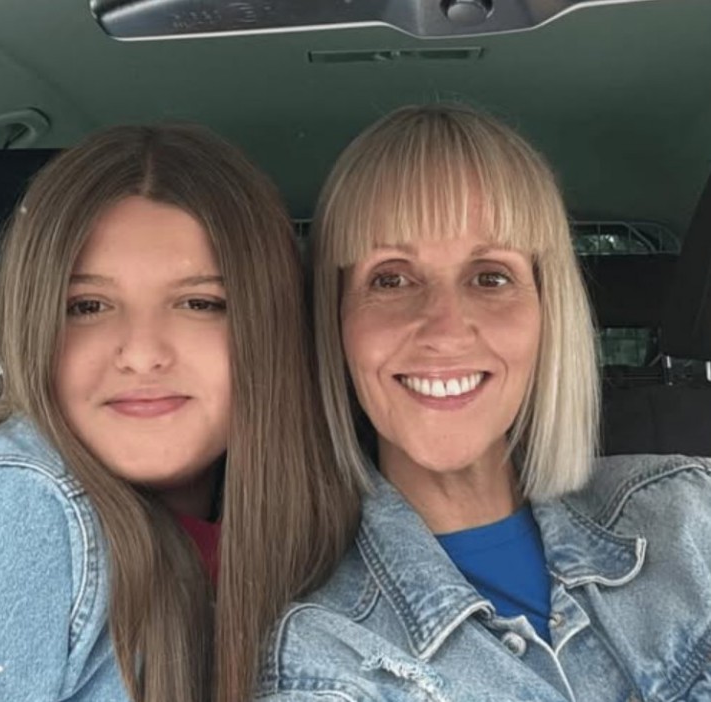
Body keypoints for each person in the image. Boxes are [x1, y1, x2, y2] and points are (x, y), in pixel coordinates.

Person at [256, 104, 711, 701]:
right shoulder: (322, 653)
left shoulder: (689, 512)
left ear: (549, 313)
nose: (444, 329)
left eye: (490, 277)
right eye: (391, 279)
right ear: (335, 322)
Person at [0, 124, 360, 702]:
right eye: (89, 305)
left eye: (200, 303)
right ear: (36, 325)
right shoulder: (7, 505)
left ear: (269, 328)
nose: (143, 353)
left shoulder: (315, 525)